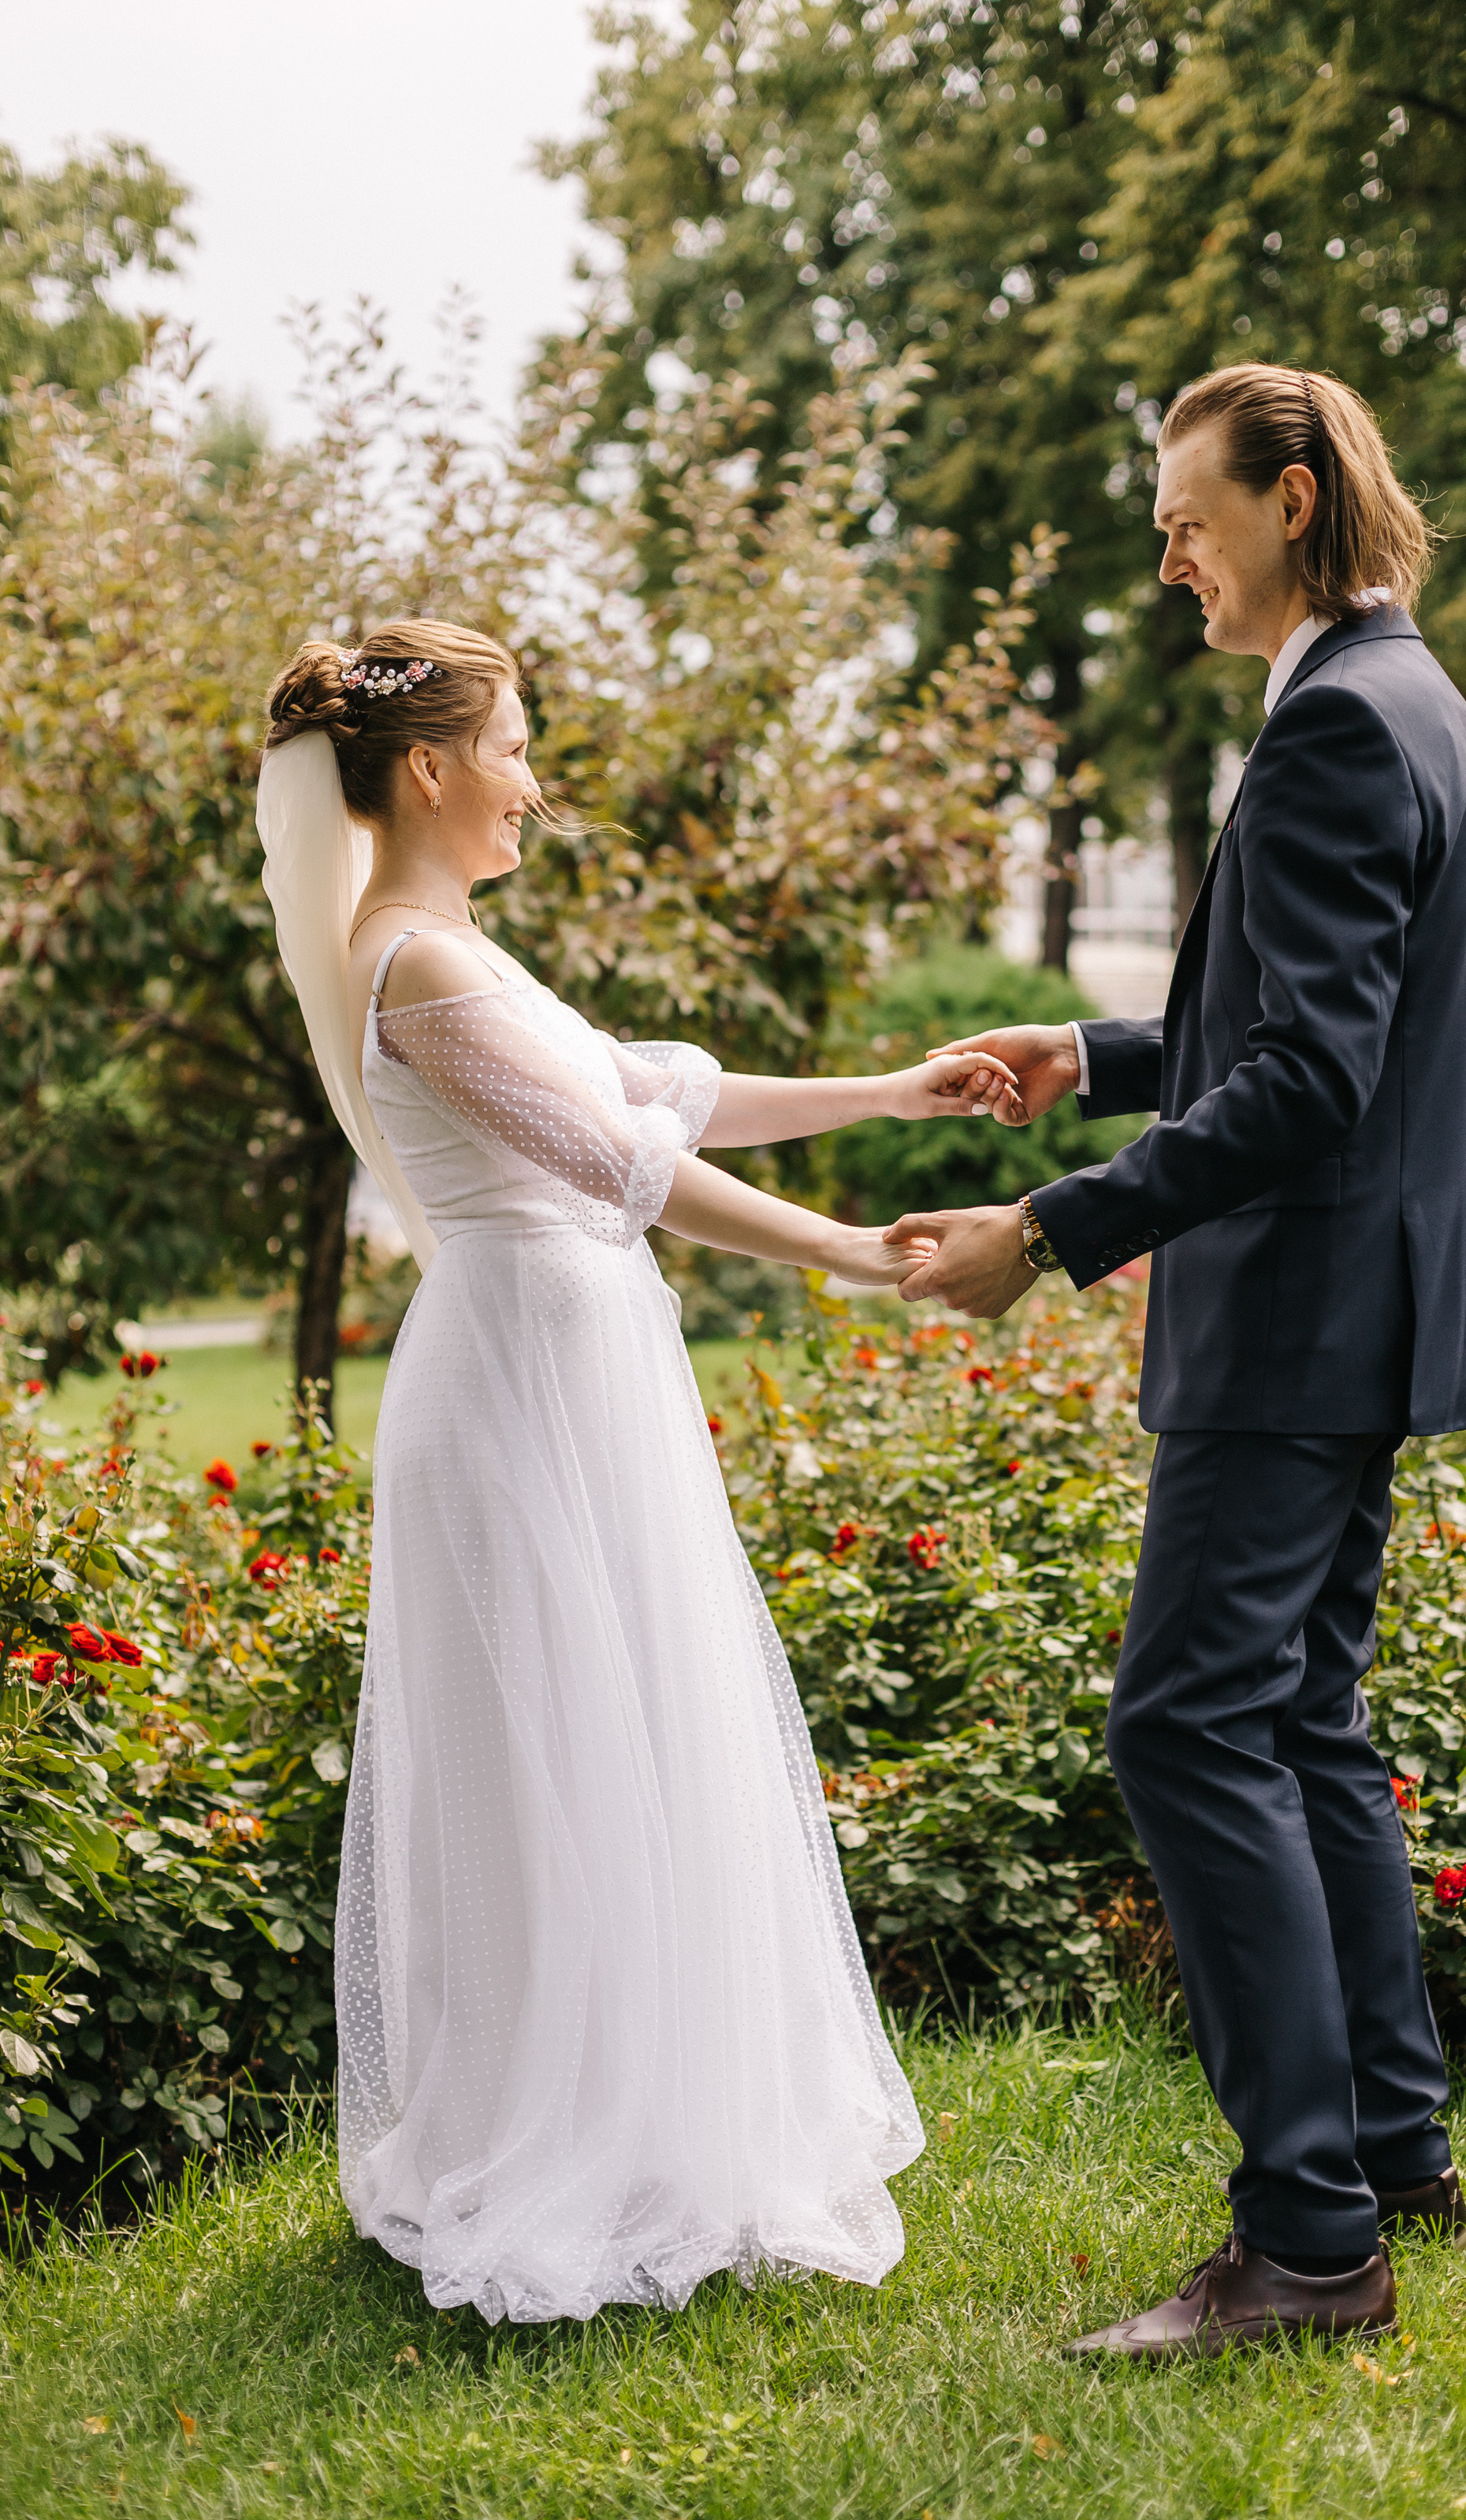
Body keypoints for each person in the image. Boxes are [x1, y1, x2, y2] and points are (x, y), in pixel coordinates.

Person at [256, 619, 1021, 2325]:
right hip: (519, 1386)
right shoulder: (417, 966)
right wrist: (856, 1254)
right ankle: (555, 2136)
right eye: (514, 748)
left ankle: (643, 2116)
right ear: (430, 768)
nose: (532, 783)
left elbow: (654, 1091)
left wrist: (892, 1092)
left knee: (625, 1729)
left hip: (570, 1366)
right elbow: (619, 1162)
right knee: (547, 1751)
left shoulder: (451, 947)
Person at [886, 364, 1466, 2359]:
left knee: (1182, 1724)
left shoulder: (1332, 725)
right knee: (1300, 1715)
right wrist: (1088, 1055)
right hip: (1368, 1305)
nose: (1165, 558)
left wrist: (1049, 1228)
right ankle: (1391, 2153)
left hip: (1295, 1320)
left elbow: (1310, 1081)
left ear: (1291, 498)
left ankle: (1306, 2245)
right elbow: (1307, 1024)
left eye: (1184, 520)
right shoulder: (1410, 700)